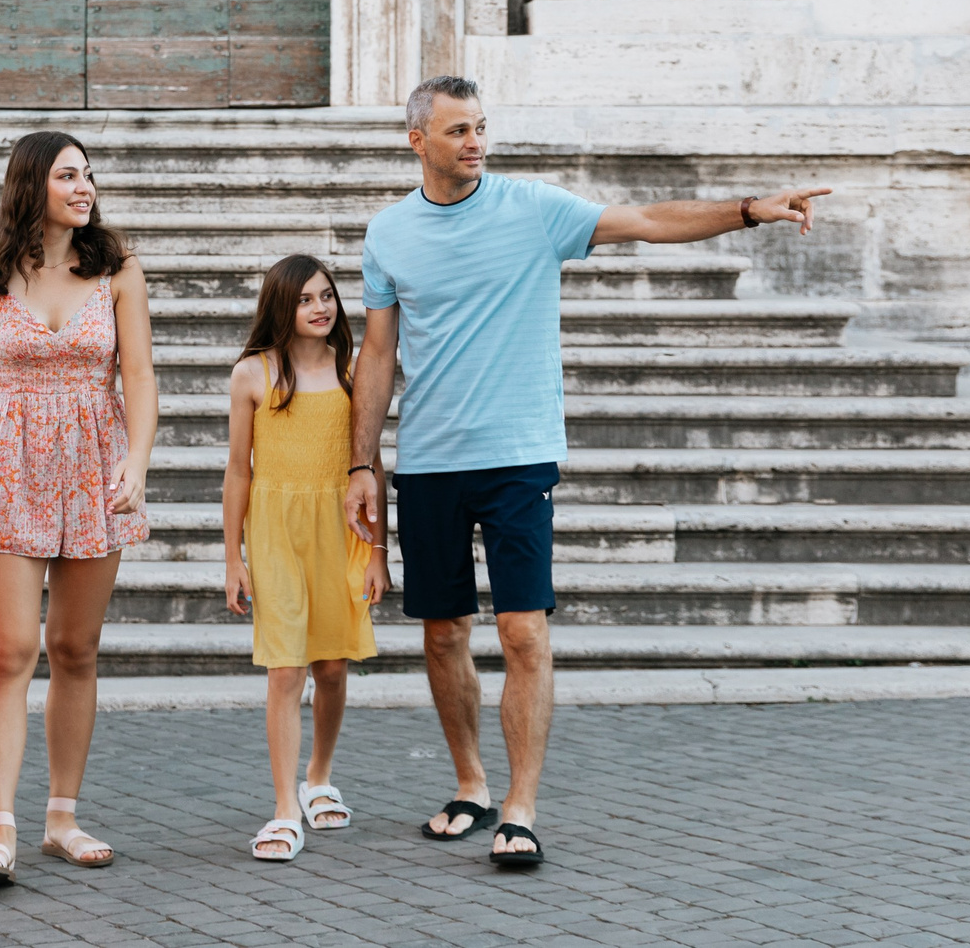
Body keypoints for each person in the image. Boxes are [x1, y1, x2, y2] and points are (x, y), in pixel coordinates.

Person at [345, 76, 830, 872]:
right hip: (429, 458)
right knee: (441, 634)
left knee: (523, 630)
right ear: (417, 140)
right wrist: (361, 462)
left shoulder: (533, 208)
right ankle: (470, 781)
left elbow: (643, 220)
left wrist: (748, 207)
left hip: (518, 453)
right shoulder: (389, 232)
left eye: (481, 127)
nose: (475, 141)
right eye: (458, 129)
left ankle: (520, 805)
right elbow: (377, 355)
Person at [0, 130, 160, 887]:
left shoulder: (120, 272)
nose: (86, 186)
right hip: (7, 466)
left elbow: (141, 380)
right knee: (7, 652)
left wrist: (135, 461)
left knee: (75, 648)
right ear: (32, 184)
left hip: (95, 462)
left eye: (89, 175)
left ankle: (61, 815)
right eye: (69, 175)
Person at [222, 255, 388, 863]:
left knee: (333, 669)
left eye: (328, 296)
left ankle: (319, 776)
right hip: (275, 531)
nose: (321, 308)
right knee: (286, 670)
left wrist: (378, 552)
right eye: (306, 300)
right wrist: (232, 558)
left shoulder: (353, 375)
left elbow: (371, 471)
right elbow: (238, 471)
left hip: (338, 530)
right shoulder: (253, 375)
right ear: (281, 307)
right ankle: (284, 806)